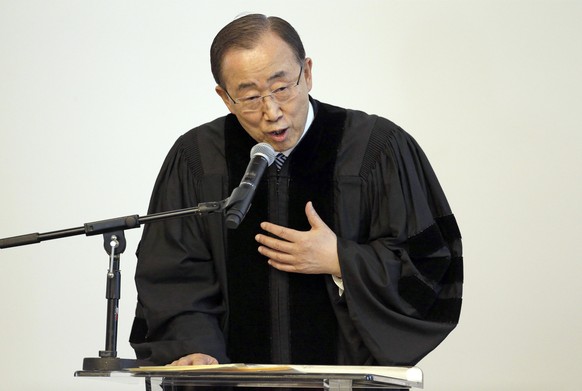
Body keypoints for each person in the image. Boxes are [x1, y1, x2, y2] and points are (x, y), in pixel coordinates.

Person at [129, 14, 463, 368]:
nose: (271, 111)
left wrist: (341, 261)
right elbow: (171, 276)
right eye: (250, 97)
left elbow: (430, 265)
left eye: (282, 88)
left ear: (307, 73)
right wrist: (194, 349)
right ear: (225, 98)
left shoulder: (377, 149)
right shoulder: (196, 159)